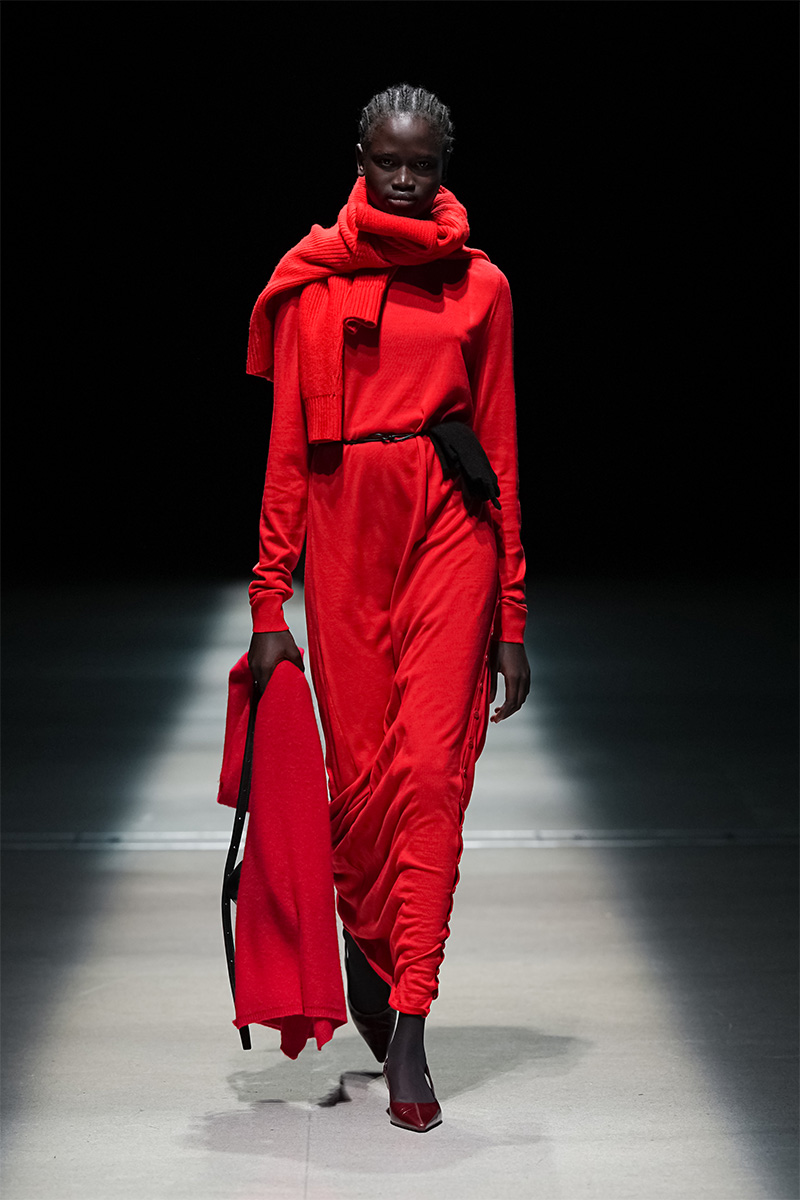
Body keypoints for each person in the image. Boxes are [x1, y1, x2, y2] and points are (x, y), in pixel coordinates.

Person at [245, 83, 530, 1133]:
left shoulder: (482, 286)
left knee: (430, 773)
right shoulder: (313, 281)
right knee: (359, 780)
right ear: (359, 159)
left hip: (451, 521)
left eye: (423, 163)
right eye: (387, 161)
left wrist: (510, 615)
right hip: (345, 526)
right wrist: (267, 600)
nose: (405, 179)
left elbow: (500, 448)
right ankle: (368, 942)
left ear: (445, 165)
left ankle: (410, 1013)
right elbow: (286, 450)